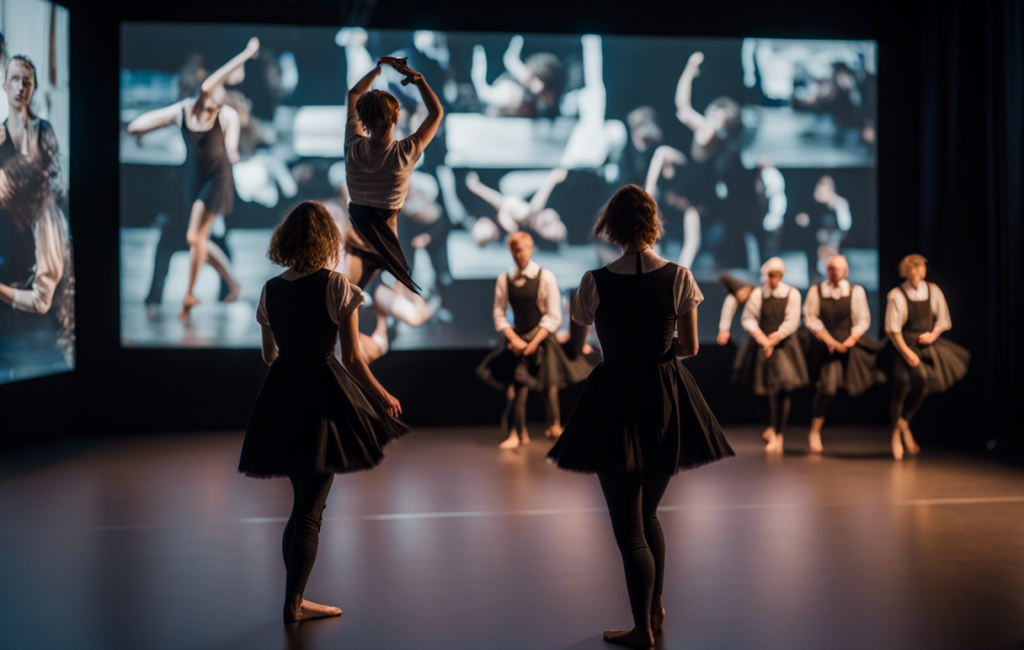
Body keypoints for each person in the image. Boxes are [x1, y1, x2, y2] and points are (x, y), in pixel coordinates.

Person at [548, 185, 733, 649]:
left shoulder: (593, 280)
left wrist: (614, 349)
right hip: (666, 396)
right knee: (649, 513)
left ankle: (643, 630)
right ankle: (655, 608)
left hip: (614, 397)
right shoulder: (679, 276)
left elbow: (575, 346)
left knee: (629, 527)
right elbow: (689, 347)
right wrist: (653, 351)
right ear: (652, 222)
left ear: (611, 225)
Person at [238, 201, 408, 623]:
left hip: (282, 396)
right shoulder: (337, 286)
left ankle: (295, 595)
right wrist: (382, 393)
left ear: (286, 240)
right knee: (310, 512)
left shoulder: (270, 290)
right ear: (326, 241)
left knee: (300, 506)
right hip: (322, 395)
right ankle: (293, 604)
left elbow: (268, 355)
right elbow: (352, 358)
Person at [127, 38, 257, 320]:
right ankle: (227, 286)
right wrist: (139, 132)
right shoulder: (184, 110)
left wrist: (246, 54)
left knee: (196, 238)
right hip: (192, 181)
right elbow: (141, 123)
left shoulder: (224, 113)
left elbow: (232, 133)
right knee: (193, 239)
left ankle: (197, 293)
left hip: (214, 180)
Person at [477, 232, 592, 448]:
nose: (517, 255)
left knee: (550, 384)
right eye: (514, 250)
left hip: (541, 339)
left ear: (530, 250)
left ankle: (554, 425)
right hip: (517, 340)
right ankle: (517, 433)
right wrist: (515, 339)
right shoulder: (505, 279)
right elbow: (499, 314)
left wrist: (534, 342)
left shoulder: (545, 276)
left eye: (520, 250)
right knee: (518, 384)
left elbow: (553, 315)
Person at [344, 56, 443, 295]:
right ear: (397, 118)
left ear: (363, 120)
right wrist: (417, 79)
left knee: (355, 313)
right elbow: (436, 112)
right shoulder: (405, 152)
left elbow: (353, 94)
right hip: (387, 250)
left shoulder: (352, 146)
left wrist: (377, 69)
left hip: (357, 243)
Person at [0, 54, 74, 366]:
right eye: (14, 79)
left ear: (33, 89)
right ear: (4, 85)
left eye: (26, 81)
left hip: (39, 228)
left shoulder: (43, 131)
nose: (20, 86)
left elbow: (51, 183)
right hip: (11, 237)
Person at [884, 254, 969, 459]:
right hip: (904, 345)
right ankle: (896, 434)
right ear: (906, 271)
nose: (917, 272)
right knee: (901, 387)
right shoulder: (896, 294)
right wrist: (907, 352)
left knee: (924, 382)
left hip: (926, 345)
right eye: (913, 269)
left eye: (920, 268)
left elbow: (943, 319)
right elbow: (892, 329)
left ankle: (904, 424)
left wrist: (933, 334)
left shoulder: (933, 290)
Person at [801, 254, 885, 453]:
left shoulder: (855, 291)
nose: (834, 272)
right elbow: (810, 318)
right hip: (827, 346)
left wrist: (851, 339)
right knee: (828, 388)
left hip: (849, 345)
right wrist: (829, 340)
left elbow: (863, 319)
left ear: (845, 271)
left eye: (837, 269)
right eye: (831, 268)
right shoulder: (817, 290)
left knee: (870, 380)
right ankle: (815, 431)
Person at [733, 257, 808, 452]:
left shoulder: (791, 293)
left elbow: (793, 320)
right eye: (769, 275)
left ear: (780, 276)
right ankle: (769, 429)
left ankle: (780, 433)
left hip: (784, 346)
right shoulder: (759, 294)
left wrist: (775, 339)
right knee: (762, 389)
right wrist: (763, 339)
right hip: (763, 344)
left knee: (785, 388)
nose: (771, 279)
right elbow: (748, 318)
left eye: (775, 276)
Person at [465, 168, 569, 246]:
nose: (486, 232)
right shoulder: (505, 238)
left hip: (528, 205)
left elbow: (501, 202)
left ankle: (551, 177)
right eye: (485, 237)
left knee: (507, 191)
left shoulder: (497, 215)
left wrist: (477, 188)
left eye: (481, 227)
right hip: (533, 216)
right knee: (520, 210)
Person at [716, 271, 755, 346]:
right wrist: (724, 329)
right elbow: (728, 309)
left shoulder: (757, 293)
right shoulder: (732, 298)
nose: (742, 296)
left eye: (745, 292)